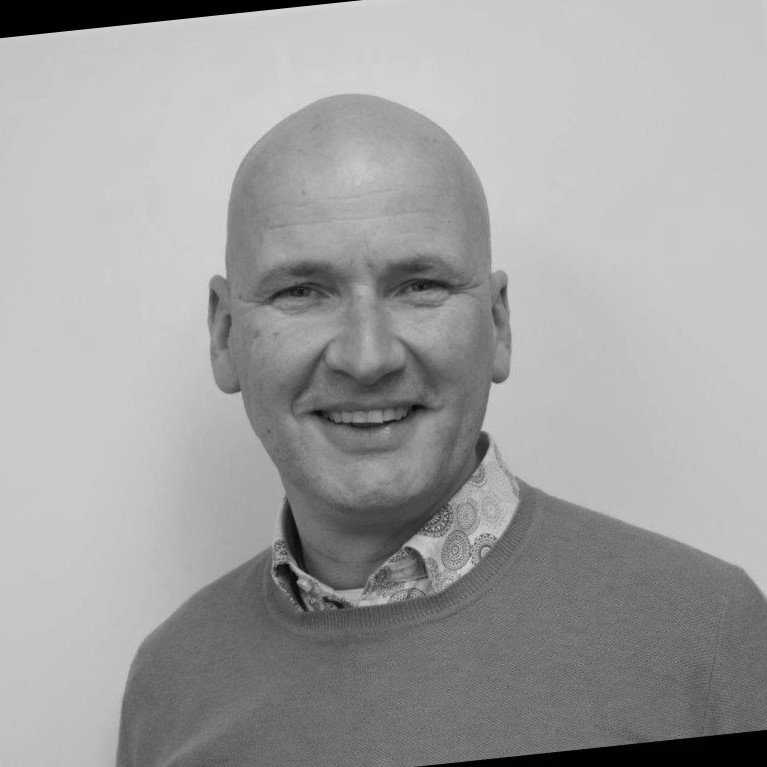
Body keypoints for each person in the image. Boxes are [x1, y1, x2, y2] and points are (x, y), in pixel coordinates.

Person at [116, 94, 767, 766]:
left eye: (419, 285)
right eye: (301, 292)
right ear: (224, 334)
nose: (366, 356)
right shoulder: (169, 682)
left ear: (498, 325)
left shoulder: (707, 640)